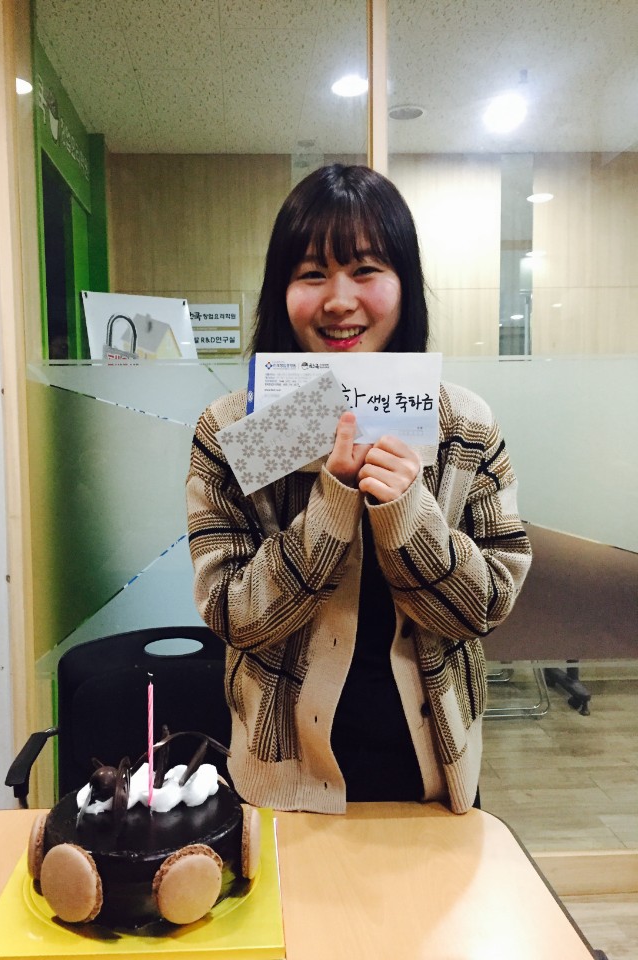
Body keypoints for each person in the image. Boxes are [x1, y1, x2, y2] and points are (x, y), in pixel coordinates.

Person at [186, 164, 532, 814]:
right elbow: (231, 614)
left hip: (434, 777)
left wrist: (409, 518)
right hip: (282, 780)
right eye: (312, 274)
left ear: (405, 285)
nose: (339, 300)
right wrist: (330, 508)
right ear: (281, 290)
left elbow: (487, 607)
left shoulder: (466, 426)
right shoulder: (236, 429)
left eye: (366, 270)